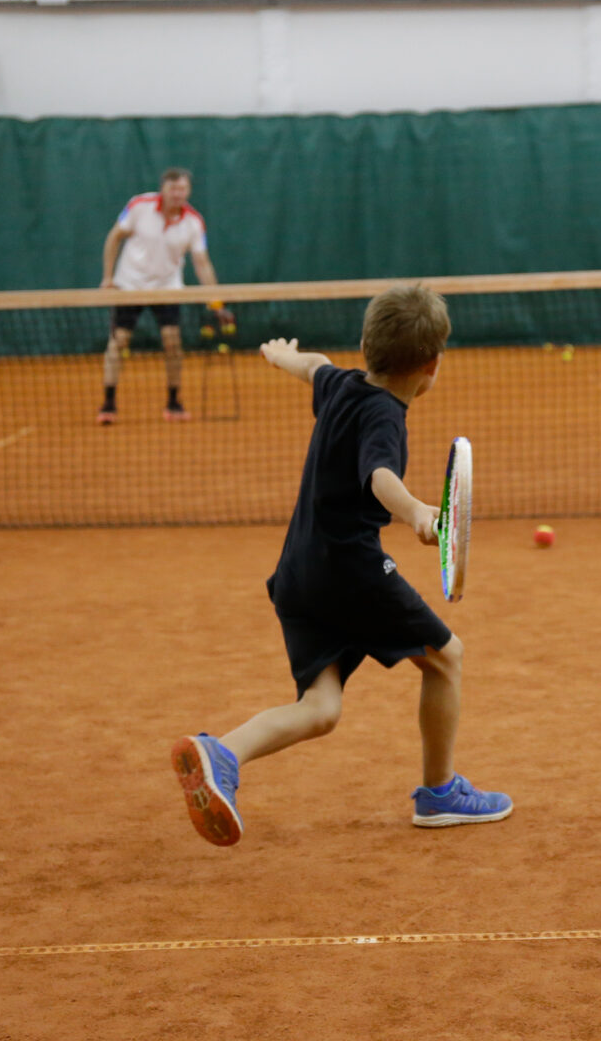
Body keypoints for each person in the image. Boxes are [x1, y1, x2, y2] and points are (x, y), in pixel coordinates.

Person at [170, 283, 512, 846]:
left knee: (321, 707)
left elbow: (316, 366)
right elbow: (380, 476)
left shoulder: (343, 384)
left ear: (366, 344)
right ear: (432, 366)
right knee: (447, 657)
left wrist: (281, 355)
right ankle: (439, 792)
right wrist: (417, 514)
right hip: (349, 572)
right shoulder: (385, 416)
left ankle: (222, 753)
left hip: (298, 573)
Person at [96, 168, 220, 424]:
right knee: (118, 342)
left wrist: (216, 299)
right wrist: (108, 277)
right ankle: (108, 404)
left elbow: (202, 262)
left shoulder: (194, 222)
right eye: (173, 188)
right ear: (163, 188)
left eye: (182, 189)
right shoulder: (139, 206)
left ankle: (174, 403)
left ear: (188, 191)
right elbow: (114, 237)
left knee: (172, 342)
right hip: (129, 285)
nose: (178, 194)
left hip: (168, 288)